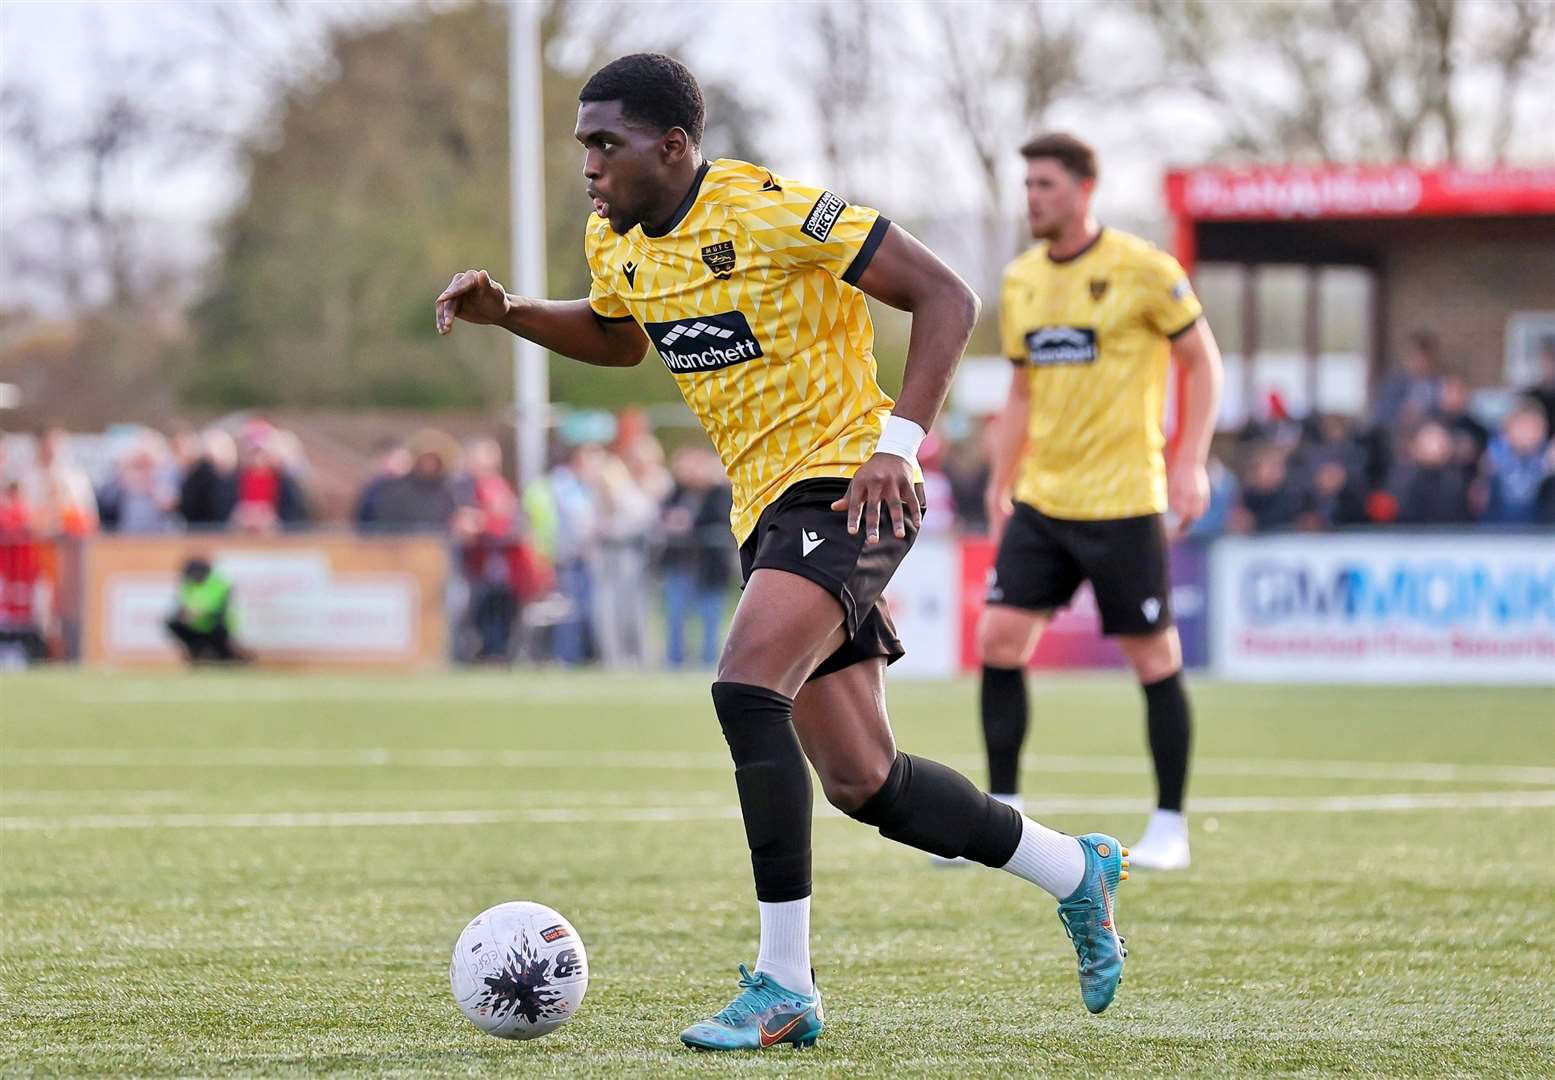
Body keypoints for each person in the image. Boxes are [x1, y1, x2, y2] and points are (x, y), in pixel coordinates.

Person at [434, 53, 1131, 1049]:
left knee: (743, 683)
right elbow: (618, 334)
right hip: (767, 512)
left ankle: (783, 982)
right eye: (582, 144)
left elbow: (947, 298)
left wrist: (899, 445)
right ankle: (1076, 870)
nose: (587, 164)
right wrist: (514, 316)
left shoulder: (768, 211)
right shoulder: (615, 238)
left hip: (850, 480)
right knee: (865, 783)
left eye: (605, 144)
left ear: (671, 147)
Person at [974, 133, 1224, 873]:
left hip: (1122, 499)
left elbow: (1200, 362)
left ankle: (1169, 825)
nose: (1032, 197)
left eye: (1045, 184)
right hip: (1044, 499)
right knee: (998, 640)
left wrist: (1190, 460)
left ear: (1084, 189)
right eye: (1026, 185)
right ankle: (1003, 815)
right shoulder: (1020, 280)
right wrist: (999, 476)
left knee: (1152, 656)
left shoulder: (1143, 269)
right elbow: (1019, 391)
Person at [165, 557, 246, 663]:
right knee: (173, 622)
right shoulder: (187, 584)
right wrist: (184, 614)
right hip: (197, 627)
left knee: (226, 659)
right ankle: (196, 651)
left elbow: (212, 608)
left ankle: (229, 654)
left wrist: (194, 612)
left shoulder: (218, 583)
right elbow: (183, 605)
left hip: (218, 628)